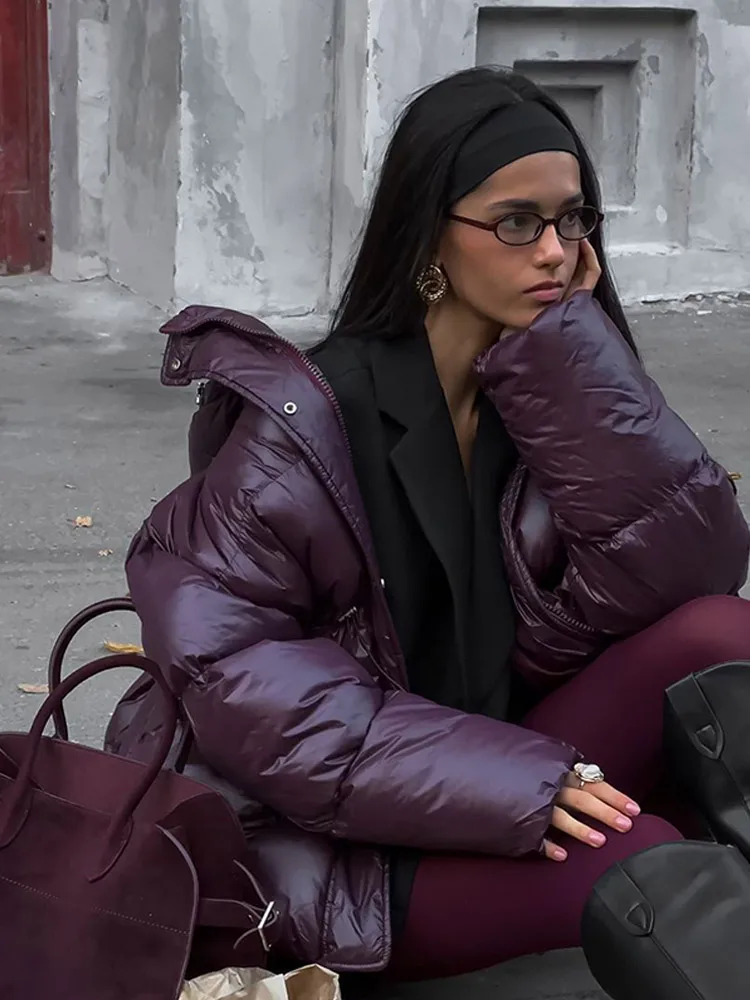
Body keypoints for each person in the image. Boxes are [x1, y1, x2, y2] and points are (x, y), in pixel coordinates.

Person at [106, 66, 750, 982]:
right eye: (517, 223)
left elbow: (694, 566)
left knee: (723, 637)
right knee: (648, 863)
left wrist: (574, 359)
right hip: (341, 852)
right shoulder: (297, 437)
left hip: (497, 768)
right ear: (428, 241)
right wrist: (523, 785)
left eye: (573, 221)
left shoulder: (536, 389)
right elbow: (261, 704)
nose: (556, 252)